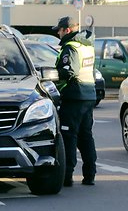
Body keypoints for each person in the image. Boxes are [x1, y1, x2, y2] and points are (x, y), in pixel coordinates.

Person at [53, 16, 97, 187]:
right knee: (86, 136)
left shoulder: (70, 48)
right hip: (88, 95)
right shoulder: (87, 45)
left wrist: (55, 83)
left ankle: (67, 176)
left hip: (73, 97)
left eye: (60, 29)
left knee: (69, 137)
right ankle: (90, 175)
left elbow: (68, 72)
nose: (58, 32)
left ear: (67, 30)